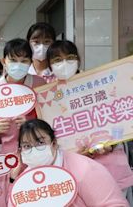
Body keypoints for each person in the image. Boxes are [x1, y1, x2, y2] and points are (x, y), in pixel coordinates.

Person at [47, 40, 133, 194]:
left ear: (78, 60)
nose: (64, 63)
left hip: (110, 164)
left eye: (70, 58)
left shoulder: (99, 84)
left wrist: (112, 142)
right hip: (75, 168)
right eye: (57, 60)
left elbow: (120, 119)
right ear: (49, 66)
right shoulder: (47, 98)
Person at [13, 119, 129, 206]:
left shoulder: (85, 169)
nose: (34, 150)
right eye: (27, 146)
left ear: (54, 143)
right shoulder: (23, 182)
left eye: (40, 143)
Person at [0, 39, 46, 154]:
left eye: (24, 61)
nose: (18, 65)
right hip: (4, 154)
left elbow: (49, 118)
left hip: (36, 149)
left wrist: (30, 123)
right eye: (13, 60)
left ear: (30, 62)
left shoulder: (39, 84)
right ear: (3, 61)